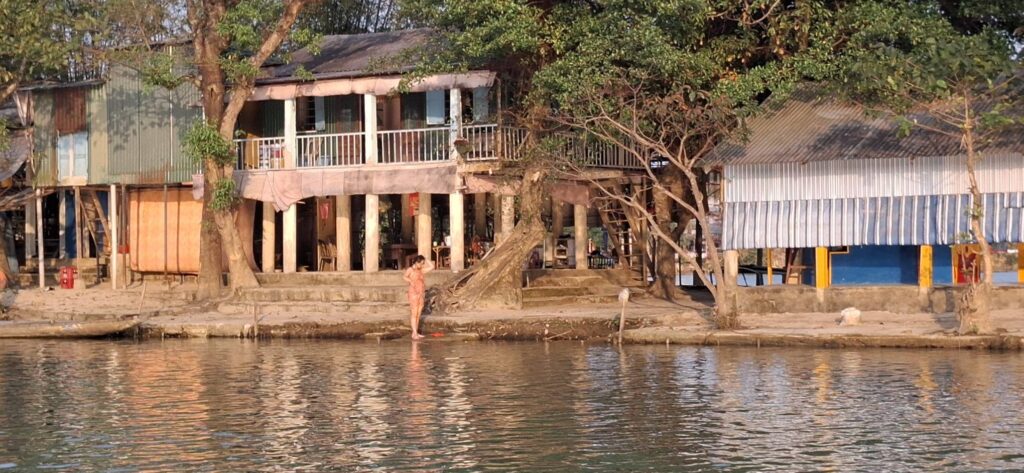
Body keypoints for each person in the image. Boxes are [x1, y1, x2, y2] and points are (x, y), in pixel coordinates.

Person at [403, 255, 433, 340]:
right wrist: (410, 281)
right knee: (414, 313)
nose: (422, 265)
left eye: (423, 263)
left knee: (418, 314)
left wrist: (426, 259)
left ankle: (415, 332)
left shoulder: (421, 270)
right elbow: (404, 276)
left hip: (421, 293)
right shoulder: (410, 270)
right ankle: (414, 333)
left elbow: (432, 267)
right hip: (414, 293)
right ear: (416, 262)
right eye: (421, 263)